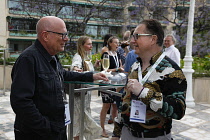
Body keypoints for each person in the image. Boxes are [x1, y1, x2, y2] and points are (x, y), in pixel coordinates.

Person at [10, 16, 108, 140]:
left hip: (57, 129)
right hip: (39, 134)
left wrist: (91, 76)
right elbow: (21, 102)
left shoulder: (52, 57)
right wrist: (47, 128)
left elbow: (64, 74)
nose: (66, 39)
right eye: (62, 35)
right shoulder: (28, 59)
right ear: (45, 36)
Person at [111, 19, 187, 140]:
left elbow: (178, 110)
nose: (131, 41)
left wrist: (143, 92)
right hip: (127, 134)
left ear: (153, 39)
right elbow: (126, 99)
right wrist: (116, 133)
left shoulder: (172, 71)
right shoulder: (135, 66)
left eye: (136, 36)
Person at [71, 36, 102, 140]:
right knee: (77, 121)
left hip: (85, 95)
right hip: (79, 96)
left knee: (82, 120)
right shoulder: (78, 57)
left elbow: (87, 72)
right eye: (89, 44)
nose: (91, 46)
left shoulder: (86, 57)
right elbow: (75, 67)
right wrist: (75, 68)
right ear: (82, 45)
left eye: (91, 44)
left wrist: (95, 65)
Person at [100, 36, 124, 138]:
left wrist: (120, 69)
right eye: (115, 43)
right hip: (106, 82)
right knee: (106, 106)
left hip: (115, 83)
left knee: (115, 107)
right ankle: (102, 129)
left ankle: (116, 130)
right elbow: (104, 70)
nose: (117, 44)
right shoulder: (105, 54)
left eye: (118, 43)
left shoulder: (117, 54)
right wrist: (117, 69)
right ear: (110, 43)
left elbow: (121, 67)